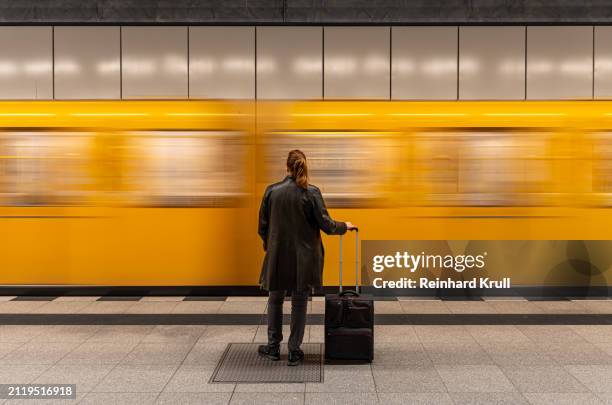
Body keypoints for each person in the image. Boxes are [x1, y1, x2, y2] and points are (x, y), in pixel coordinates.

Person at [257, 149, 356, 366]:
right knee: (299, 302)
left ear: (286, 167)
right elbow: (327, 225)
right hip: (304, 259)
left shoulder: (272, 192)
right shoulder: (311, 192)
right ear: (304, 166)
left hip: (277, 256)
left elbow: (262, 227)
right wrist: (344, 226)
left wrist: (271, 247)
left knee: (275, 300)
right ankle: (294, 350)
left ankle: (273, 347)